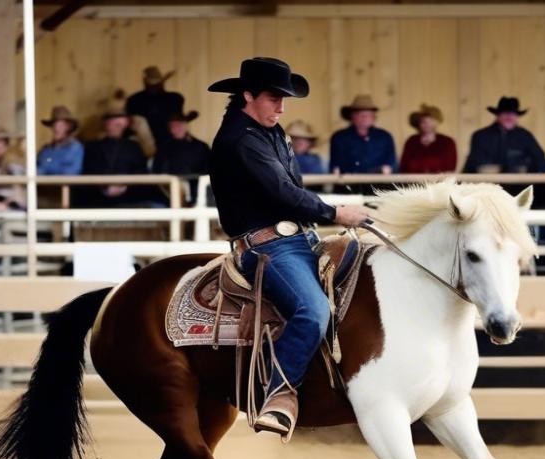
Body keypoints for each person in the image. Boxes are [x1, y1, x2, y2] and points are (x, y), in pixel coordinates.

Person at [207, 57, 369, 438]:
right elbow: (283, 192)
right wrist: (334, 211)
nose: (281, 107)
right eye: (273, 98)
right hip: (268, 249)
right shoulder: (240, 139)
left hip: (298, 239)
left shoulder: (270, 133)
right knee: (312, 310)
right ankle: (279, 395)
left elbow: (289, 191)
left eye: (285, 99)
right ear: (247, 96)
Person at [81, 100, 151, 207]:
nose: (115, 126)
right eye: (112, 122)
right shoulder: (93, 147)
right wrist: (104, 188)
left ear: (125, 125)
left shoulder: (134, 147)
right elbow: (88, 171)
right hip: (97, 198)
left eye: (119, 124)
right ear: (105, 124)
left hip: (130, 197)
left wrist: (124, 187)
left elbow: (141, 172)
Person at [464, 97, 545, 174]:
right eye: (505, 113)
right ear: (497, 115)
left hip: (520, 184)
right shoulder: (481, 136)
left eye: (513, 113)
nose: (509, 116)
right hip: (488, 185)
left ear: (517, 117)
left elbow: (540, 160)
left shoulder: (525, 136)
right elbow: (473, 164)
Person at [151, 104, 210, 204]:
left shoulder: (201, 146)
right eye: (172, 126)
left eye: (179, 124)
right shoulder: (164, 147)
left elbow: (209, 168)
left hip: (198, 186)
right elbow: (158, 170)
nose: (176, 128)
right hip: (171, 188)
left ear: (186, 125)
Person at [329, 94, 397, 180]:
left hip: (378, 186)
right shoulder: (339, 138)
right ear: (352, 116)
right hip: (348, 185)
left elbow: (391, 166)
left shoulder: (385, 137)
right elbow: (335, 168)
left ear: (374, 117)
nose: (365, 118)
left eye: (368, 114)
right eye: (360, 114)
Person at [126, 65, 185, 150]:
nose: (154, 87)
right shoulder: (134, 100)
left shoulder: (175, 99)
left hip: (170, 146)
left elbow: (178, 121)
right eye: (151, 85)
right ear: (145, 83)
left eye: (157, 84)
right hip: (143, 146)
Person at [399, 104, 457, 174]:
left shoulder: (448, 142)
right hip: (413, 182)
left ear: (438, 121)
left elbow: (450, 167)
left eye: (431, 120)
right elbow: (404, 166)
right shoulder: (411, 141)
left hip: (439, 182)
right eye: (423, 121)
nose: (427, 124)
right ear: (419, 123)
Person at [37, 105, 83, 176]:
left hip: (64, 186)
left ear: (68, 127)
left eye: (60, 126)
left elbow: (71, 172)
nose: (56, 129)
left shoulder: (75, 147)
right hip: (42, 186)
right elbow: (39, 168)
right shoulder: (46, 149)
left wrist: (48, 170)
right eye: (54, 126)